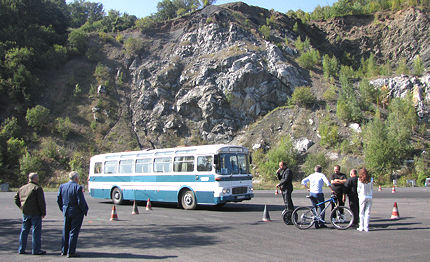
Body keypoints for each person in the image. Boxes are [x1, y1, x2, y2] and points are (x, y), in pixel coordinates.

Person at [57, 171, 89, 257]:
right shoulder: (77, 187)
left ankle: (64, 250)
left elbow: (59, 199)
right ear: (76, 178)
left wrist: (62, 208)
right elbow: (80, 201)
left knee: (65, 230)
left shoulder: (62, 186)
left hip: (66, 210)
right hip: (76, 211)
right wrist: (85, 210)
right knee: (73, 232)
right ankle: (71, 251)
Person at [14, 172, 47, 255]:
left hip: (26, 212)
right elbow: (41, 202)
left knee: (24, 231)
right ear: (35, 179)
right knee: (36, 231)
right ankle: (36, 250)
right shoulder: (37, 188)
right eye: (38, 177)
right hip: (35, 212)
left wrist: (21, 207)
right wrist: (43, 212)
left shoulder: (22, 188)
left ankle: (21, 249)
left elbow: (16, 199)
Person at [357, 168, 373, 232]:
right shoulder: (371, 179)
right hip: (369, 196)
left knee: (361, 212)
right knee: (367, 212)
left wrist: (358, 195)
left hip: (362, 196)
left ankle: (361, 226)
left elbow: (358, 189)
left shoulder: (359, 179)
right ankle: (366, 227)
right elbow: (371, 188)